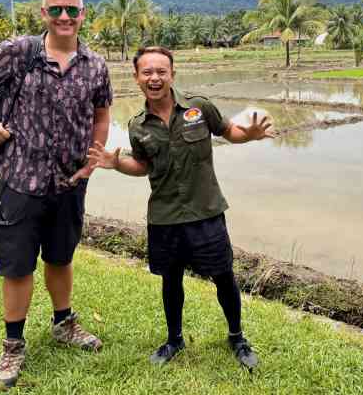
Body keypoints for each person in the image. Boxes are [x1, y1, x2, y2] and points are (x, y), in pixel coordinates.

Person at [0, 0, 112, 391]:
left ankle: (64, 323)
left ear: (83, 14)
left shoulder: (96, 65)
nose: (65, 16)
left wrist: (94, 160)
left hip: (69, 182)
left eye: (72, 10)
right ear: (43, 13)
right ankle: (13, 344)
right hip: (20, 178)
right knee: (17, 265)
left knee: (61, 257)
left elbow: (102, 115)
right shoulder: (19, 52)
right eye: (56, 9)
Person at [87, 46, 274, 371]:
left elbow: (230, 131)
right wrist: (116, 164)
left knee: (223, 276)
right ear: (137, 78)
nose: (154, 78)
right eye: (147, 72)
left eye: (161, 71)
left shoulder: (199, 107)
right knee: (170, 280)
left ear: (172, 74)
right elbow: (143, 166)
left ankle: (237, 337)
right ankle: (174, 339)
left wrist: (251, 135)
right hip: (165, 216)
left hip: (206, 212)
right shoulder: (137, 125)